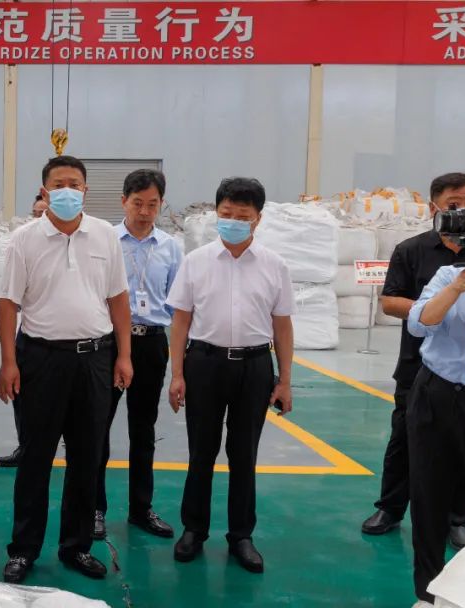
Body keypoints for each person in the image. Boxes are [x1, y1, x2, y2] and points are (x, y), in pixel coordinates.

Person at [0, 155, 133, 584]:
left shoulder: (105, 236)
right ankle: (23, 549)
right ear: (45, 191)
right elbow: (8, 304)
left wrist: (124, 356)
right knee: (35, 457)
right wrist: (8, 362)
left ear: (86, 190)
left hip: (94, 359)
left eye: (75, 183)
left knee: (87, 457)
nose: (68, 191)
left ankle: (76, 547)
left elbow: (118, 299)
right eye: (59, 184)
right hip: (41, 360)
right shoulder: (24, 240)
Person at [166, 177, 294, 574]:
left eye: (243, 216)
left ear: (258, 219)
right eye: (227, 214)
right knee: (201, 451)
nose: (234, 221)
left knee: (244, 454)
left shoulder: (274, 265)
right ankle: (194, 529)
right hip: (204, 363)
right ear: (216, 213)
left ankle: (241, 535)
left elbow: (282, 326)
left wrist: (284, 380)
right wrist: (177, 374)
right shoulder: (196, 261)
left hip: (255, 367)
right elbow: (180, 321)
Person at [362, 173, 465, 549]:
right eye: (454, 204)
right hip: (419, 367)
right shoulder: (411, 250)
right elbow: (389, 301)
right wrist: (435, 307)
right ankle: (390, 508)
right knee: (405, 438)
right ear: (434, 208)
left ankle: (457, 519)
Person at [404, 251, 465, 606]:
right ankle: (427, 594)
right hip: (437, 392)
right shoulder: (450, 274)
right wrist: (457, 288)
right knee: (429, 495)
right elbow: (418, 323)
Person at [93, 169, 181, 541]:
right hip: (109, 343)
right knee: (98, 427)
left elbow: (178, 304)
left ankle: (141, 509)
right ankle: (94, 508)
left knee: (143, 430)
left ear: (161, 205)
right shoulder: (105, 241)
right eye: (137, 203)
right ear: (123, 201)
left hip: (152, 343)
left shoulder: (171, 247)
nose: (144, 212)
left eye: (152, 205)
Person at [0, 194, 53, 467]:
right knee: (24, 396)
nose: (40, 217)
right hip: (33, 333)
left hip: (69, 339)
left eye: (44, 211)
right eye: (36, 212)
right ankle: (26, 446)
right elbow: (9, 298)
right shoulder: (24, 242)